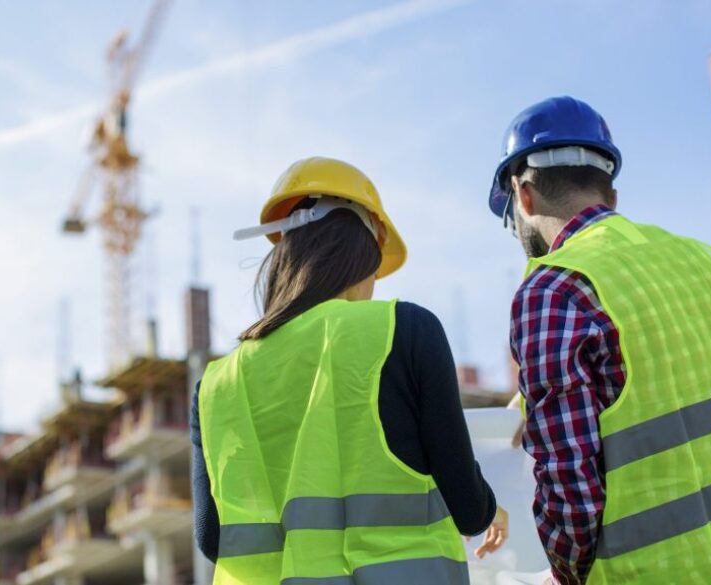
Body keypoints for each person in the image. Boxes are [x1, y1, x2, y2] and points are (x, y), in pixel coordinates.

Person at [491, 96, 711, 585]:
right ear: (611, 195)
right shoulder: (702, 260)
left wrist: (566, 570)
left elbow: (570, 478)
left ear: (524, 195)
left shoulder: (552, 288)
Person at [191, 157, 507, 585]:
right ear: (366, 251)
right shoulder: (405, 330)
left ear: (285, 253)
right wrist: (494, 509)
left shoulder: (216, 385)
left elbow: (214, 539)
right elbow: (468, 508)